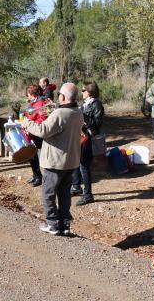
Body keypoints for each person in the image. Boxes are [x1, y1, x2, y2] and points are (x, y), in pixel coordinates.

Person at [22, 83, 83, 236]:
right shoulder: (78, 112)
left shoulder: (60, 113)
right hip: (70, 161)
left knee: (48, 193)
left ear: (63, 97)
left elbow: (42, 131)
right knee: (64, 194)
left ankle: (53, 224)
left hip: (55, 160)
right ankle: (64, 224)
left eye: (59, 95)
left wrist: (26, 122)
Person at [71, 82, 104, 206]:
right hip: (79, 137)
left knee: (84, 166)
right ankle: (76, 186)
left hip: (88, 138)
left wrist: (83, 118)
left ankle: (88, 195)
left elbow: (97, 123)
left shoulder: (97, 105)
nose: (82, 92)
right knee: (75, 163)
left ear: (89, 92)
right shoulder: (85, 104)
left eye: (83, 90)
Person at [23, 84, 51, 187]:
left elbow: (42, 119)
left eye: (28, 95)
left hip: (37, 133)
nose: (27, 97)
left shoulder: (40, 104)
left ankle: (39, 177)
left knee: (36, 155)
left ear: (32, 94)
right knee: (32, 155)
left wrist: (30, 123)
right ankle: (36, 175)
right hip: (31, 132)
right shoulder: (34, 103)